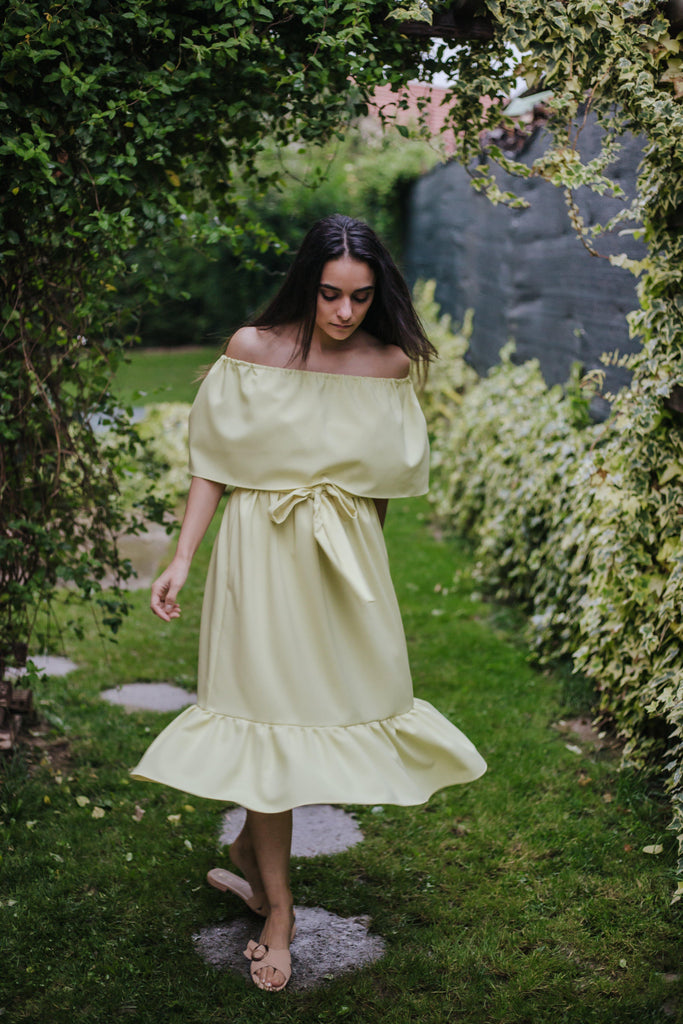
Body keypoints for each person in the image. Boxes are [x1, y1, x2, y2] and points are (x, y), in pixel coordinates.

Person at [131, 214, 486, 992]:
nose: (343, 313)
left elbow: (381, 493)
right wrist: (182, 557)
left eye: (359, 297)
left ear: (376, 294)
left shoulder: (387, 366)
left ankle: (252, 864)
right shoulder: (251, 350)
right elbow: (211, 466)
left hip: (340, 564)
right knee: (268, 727)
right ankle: (280, 909)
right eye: (330, 294)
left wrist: (368, 576)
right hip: (257, 556)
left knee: (327, 718)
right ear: (307, 285)